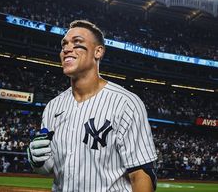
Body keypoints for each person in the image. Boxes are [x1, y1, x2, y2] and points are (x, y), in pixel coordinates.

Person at [28, 20, 157, 192]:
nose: (67, 49)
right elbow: (51, 168)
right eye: (64, 44)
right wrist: (38, 162)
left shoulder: (126, 103)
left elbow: (141, 174)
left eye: (77, 43)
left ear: (98, 52)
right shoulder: (53, 107)